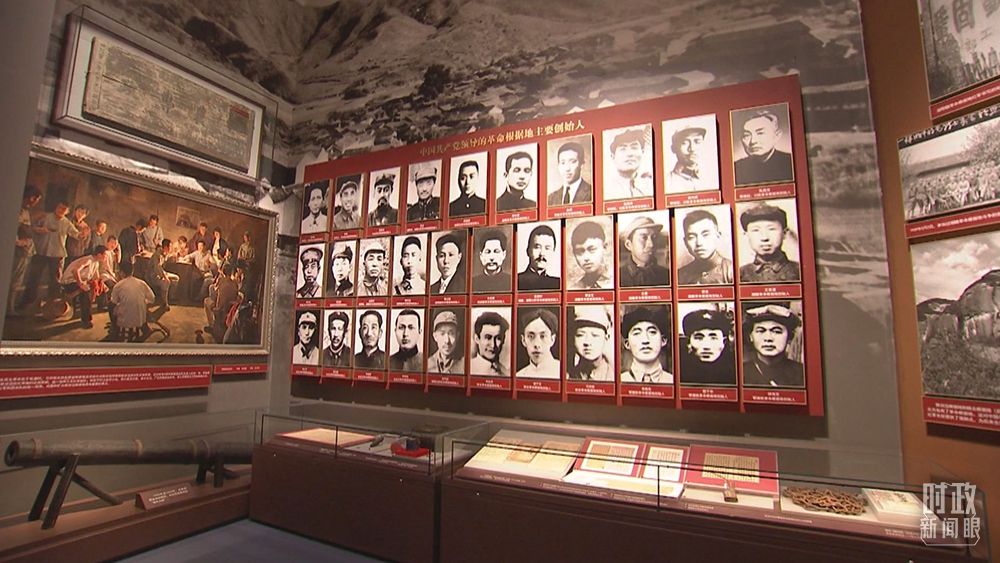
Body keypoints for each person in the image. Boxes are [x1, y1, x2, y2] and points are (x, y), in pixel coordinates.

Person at [742, 304, 804, 387]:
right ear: (750, 336)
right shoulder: (740, 372)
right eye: (761, 331)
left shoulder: (802, 373)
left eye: (776, 331)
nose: (768, 338)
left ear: (790, 337)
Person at [738, 203, 801, 283]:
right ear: (746, 234)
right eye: (756, 230)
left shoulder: (799, 271)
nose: (764, 237)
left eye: (771, 229)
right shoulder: (740, 274)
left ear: (784, 233)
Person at [733, 109, 794, 186]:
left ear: (777, 136)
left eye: (760, 133)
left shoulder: (790, 163)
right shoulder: (736, 168)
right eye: (746, 135)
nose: (753, 141)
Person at [679, 309, 736, 385]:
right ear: (689, 342)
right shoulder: (681, 370)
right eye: (699, 338)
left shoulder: (735, 370)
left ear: (724, 341)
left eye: (713, 338)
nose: (706, 346)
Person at [677, 209, 733, 285]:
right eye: (691, 237)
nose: (699, 243)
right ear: (685, 242)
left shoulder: (732, 270)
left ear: (718, 236)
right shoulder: (680, 275)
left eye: (705, 235)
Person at [58, 245, 109, 330]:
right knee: (86, 292)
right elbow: (75, 270)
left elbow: (96, 278)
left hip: (79, 282)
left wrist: (101, 284)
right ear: (99, 255)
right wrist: (81, 284)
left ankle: (102, 306)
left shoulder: (96, 263)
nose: (106, 257)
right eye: (105, 255)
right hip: (69, 282)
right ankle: (86, 320)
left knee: (100, 285)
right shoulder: (88, 260)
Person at [620, 306, 673, 384]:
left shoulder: (672, 381)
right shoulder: (619, 381)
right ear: (627, 344)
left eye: (652, 332)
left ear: (663, 340)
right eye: (637, 333)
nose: (645, 340)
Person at [10, 185, 41, 311]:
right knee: (14, 280)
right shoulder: (18, 210)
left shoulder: (25, 211)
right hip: (19, 251)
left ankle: (11, 307)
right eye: (36, 199)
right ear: (32, 198)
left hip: (26, 250)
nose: (36, 202)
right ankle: (9, 309)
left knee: (18, 280)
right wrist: (19, 242)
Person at [619, 215, 670, 288]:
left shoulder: (667, 275)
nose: (651, 244)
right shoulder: (617, 277)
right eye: (644, 237)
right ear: (629, 245)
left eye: (654, 237)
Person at [109, 261, 155, 340]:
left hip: (124, 320)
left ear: (122, 272)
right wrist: (143, 302)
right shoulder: (141, 283)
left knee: (110, 305)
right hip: (141, 319)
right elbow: (152, 298)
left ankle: (115, 329)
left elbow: (114, 301)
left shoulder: (118, 285)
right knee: (141, 305)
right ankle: (145, 327)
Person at [604, 128, 653, 200]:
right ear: (613, 156)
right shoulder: (606, 189)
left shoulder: (650, 185)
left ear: (642, 152)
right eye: (623, 149)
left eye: (634, 147)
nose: (630, 154)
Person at [567, 306, 613, 381]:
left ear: (606, 337)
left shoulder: (614, 375)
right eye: (580, 335)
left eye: (595, 335)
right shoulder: (568, 376)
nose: (588, 342)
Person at [516, 307, 559, 378]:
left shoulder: (563, 372)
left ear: (552, 339)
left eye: (543, 336)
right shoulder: (519, 376)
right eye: (531, 336)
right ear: (523, 340)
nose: (536, 344)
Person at [569, 220, 612, 290]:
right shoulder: (574, 288)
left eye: (592, 249)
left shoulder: (616, 280)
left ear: (605, 247)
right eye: (579, 252)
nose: (586, 258)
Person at [548, 141, 592, 206]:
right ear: (558, 166)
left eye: (572, 162)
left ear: (581, 164)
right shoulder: (551, 198)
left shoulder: (591, 192)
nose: (567, 169)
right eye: (563, 163)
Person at [517, 224, 559, 291]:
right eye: (537, 247)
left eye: (547, 248)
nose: (542, 254)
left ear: (553, 253)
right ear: (528, 251)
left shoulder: (558, 284)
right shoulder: (516, 281)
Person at [667, 126, 708, 192]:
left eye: (697, 142)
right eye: (684, 142)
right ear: (674, 148)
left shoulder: (711, 179)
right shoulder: (667, 181)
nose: (692, 148)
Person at [469, 311, 509, 377]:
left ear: (503, 339)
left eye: (498, 338)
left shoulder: (507, 373)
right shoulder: (467, 369)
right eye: (488, 337)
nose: (493, 345)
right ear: (477, 339)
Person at [205, 263, 239, 340]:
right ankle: (215, 325)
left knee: (207, 301)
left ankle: (212, 326)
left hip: (220, 307)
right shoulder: (235, 282)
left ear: (223, 271)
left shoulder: (221, 280)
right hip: (230, 307)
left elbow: (214, 291)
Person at [471, 228, 511, 293]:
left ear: (504, 254)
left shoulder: (510, 281)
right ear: (481, 256)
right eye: (488, 252)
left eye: (496, 251)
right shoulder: (472, 283)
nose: (491, 257)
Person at [428, 310, 464, 374]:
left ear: (457, 336)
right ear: (435, 336)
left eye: (451, 334)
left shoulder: (464, 365)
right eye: (442, 334)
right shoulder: (427, 364)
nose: (447, 341)